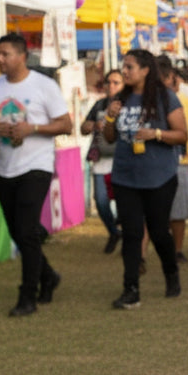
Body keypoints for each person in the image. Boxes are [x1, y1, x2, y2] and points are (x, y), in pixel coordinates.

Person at [0, 33, 72, 316]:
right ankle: (49, 276)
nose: (0, 59)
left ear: (22, 56)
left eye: (6, 54)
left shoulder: (44, 86)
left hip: (36, 166)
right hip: (6, 167)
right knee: (19, 232)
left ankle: (27, 295)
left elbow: (66, 124)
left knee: (27, 230)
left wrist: (33, 129)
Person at [101, 49, 188, 309]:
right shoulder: (120, 98)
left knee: (160, 231)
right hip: (125, 176)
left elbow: (182, 134)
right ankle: (131, 290)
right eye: (124, 66)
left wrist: (156, 134)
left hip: (159, 177)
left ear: (145, 70)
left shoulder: (165, 97)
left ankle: (171, 273)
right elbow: (109, 137)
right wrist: (109, 117)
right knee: (132, 233)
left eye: (129, 67)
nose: (124, 71)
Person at [156, 55, 188, 264]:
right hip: (166, 162)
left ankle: (177, 249)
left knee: (178, 211)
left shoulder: (184, 101)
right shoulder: (152, 101)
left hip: (181, 161)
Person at [81, 68, 124, 253]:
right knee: (101, 201)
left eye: (116, 82)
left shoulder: (128, 104)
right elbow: (83, 127)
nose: (111, 86)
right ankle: (114, 232)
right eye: (109, 82)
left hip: (122, 160)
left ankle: (129, 237)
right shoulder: (99, 105)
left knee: (125, 202)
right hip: (101, 159)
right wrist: (93, 125)